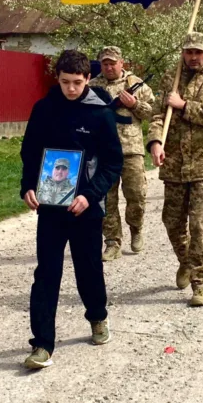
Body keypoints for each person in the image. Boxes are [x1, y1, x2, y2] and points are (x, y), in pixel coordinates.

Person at [19, 49, 124, 370]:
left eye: (77, 83)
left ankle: (97, 317)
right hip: (51, 206)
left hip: (86, 209)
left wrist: (90, 195)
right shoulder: (44, 109)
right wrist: (27, 186)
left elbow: (112, 162)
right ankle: (42, 345)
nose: (71, 89)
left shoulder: (100, 113)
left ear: (88, 79)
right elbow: (30, 152)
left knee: (88, 270)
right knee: (46, 274)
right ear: (58, 79)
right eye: (65, 82)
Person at [148, 32, 203, 307]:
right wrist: (156, 142)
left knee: (199, 225)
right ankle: (186, 262)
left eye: (198, 52)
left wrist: (184, 106)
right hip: (174, 164)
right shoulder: (171, 78)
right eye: (188, 52)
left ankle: (201, 283)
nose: (193, 57)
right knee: (171, 222)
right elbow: (158, 115)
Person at [89, 46, 156, 262]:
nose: (108, 67)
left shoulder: (135, 84)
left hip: (131, 150)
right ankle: (112, 242)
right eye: (105, 63)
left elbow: (152, 112)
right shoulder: (92, 85)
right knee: (106, 199)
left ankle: (136, 228)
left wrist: (134, 104)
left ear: (121, 63)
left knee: (136, 195)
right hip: (103, 152)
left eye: (112, 63)